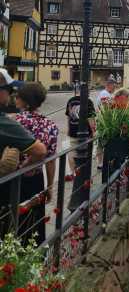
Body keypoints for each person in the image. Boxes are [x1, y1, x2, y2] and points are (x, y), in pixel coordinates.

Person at [0, 69, 46, 239]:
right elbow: (41, 151)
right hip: (25, 181)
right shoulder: (7, 122)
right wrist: (24, 166)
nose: (12, 96)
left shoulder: (14, 118)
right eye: (10, 91)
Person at [16, 83, 58, 244]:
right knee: (34, 221)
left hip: (14, 179)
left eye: (18, 96)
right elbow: (51, 161)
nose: (15, 99)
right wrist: (49, 188)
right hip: (36, 180)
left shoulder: (16, 122)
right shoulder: (50, 126)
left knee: (14, 221)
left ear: (25, 101)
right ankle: (35, 256)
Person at [65, 85, 97, 174]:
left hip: (73, 129)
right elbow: (90, 118)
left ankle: (73, 172)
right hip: (85, 131)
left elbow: (69, 116)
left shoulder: (71, 101)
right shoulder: (88, 101)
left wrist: (68, 129)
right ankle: (83, 172)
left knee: (72, 151)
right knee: (86, 151)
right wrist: (94, 131)